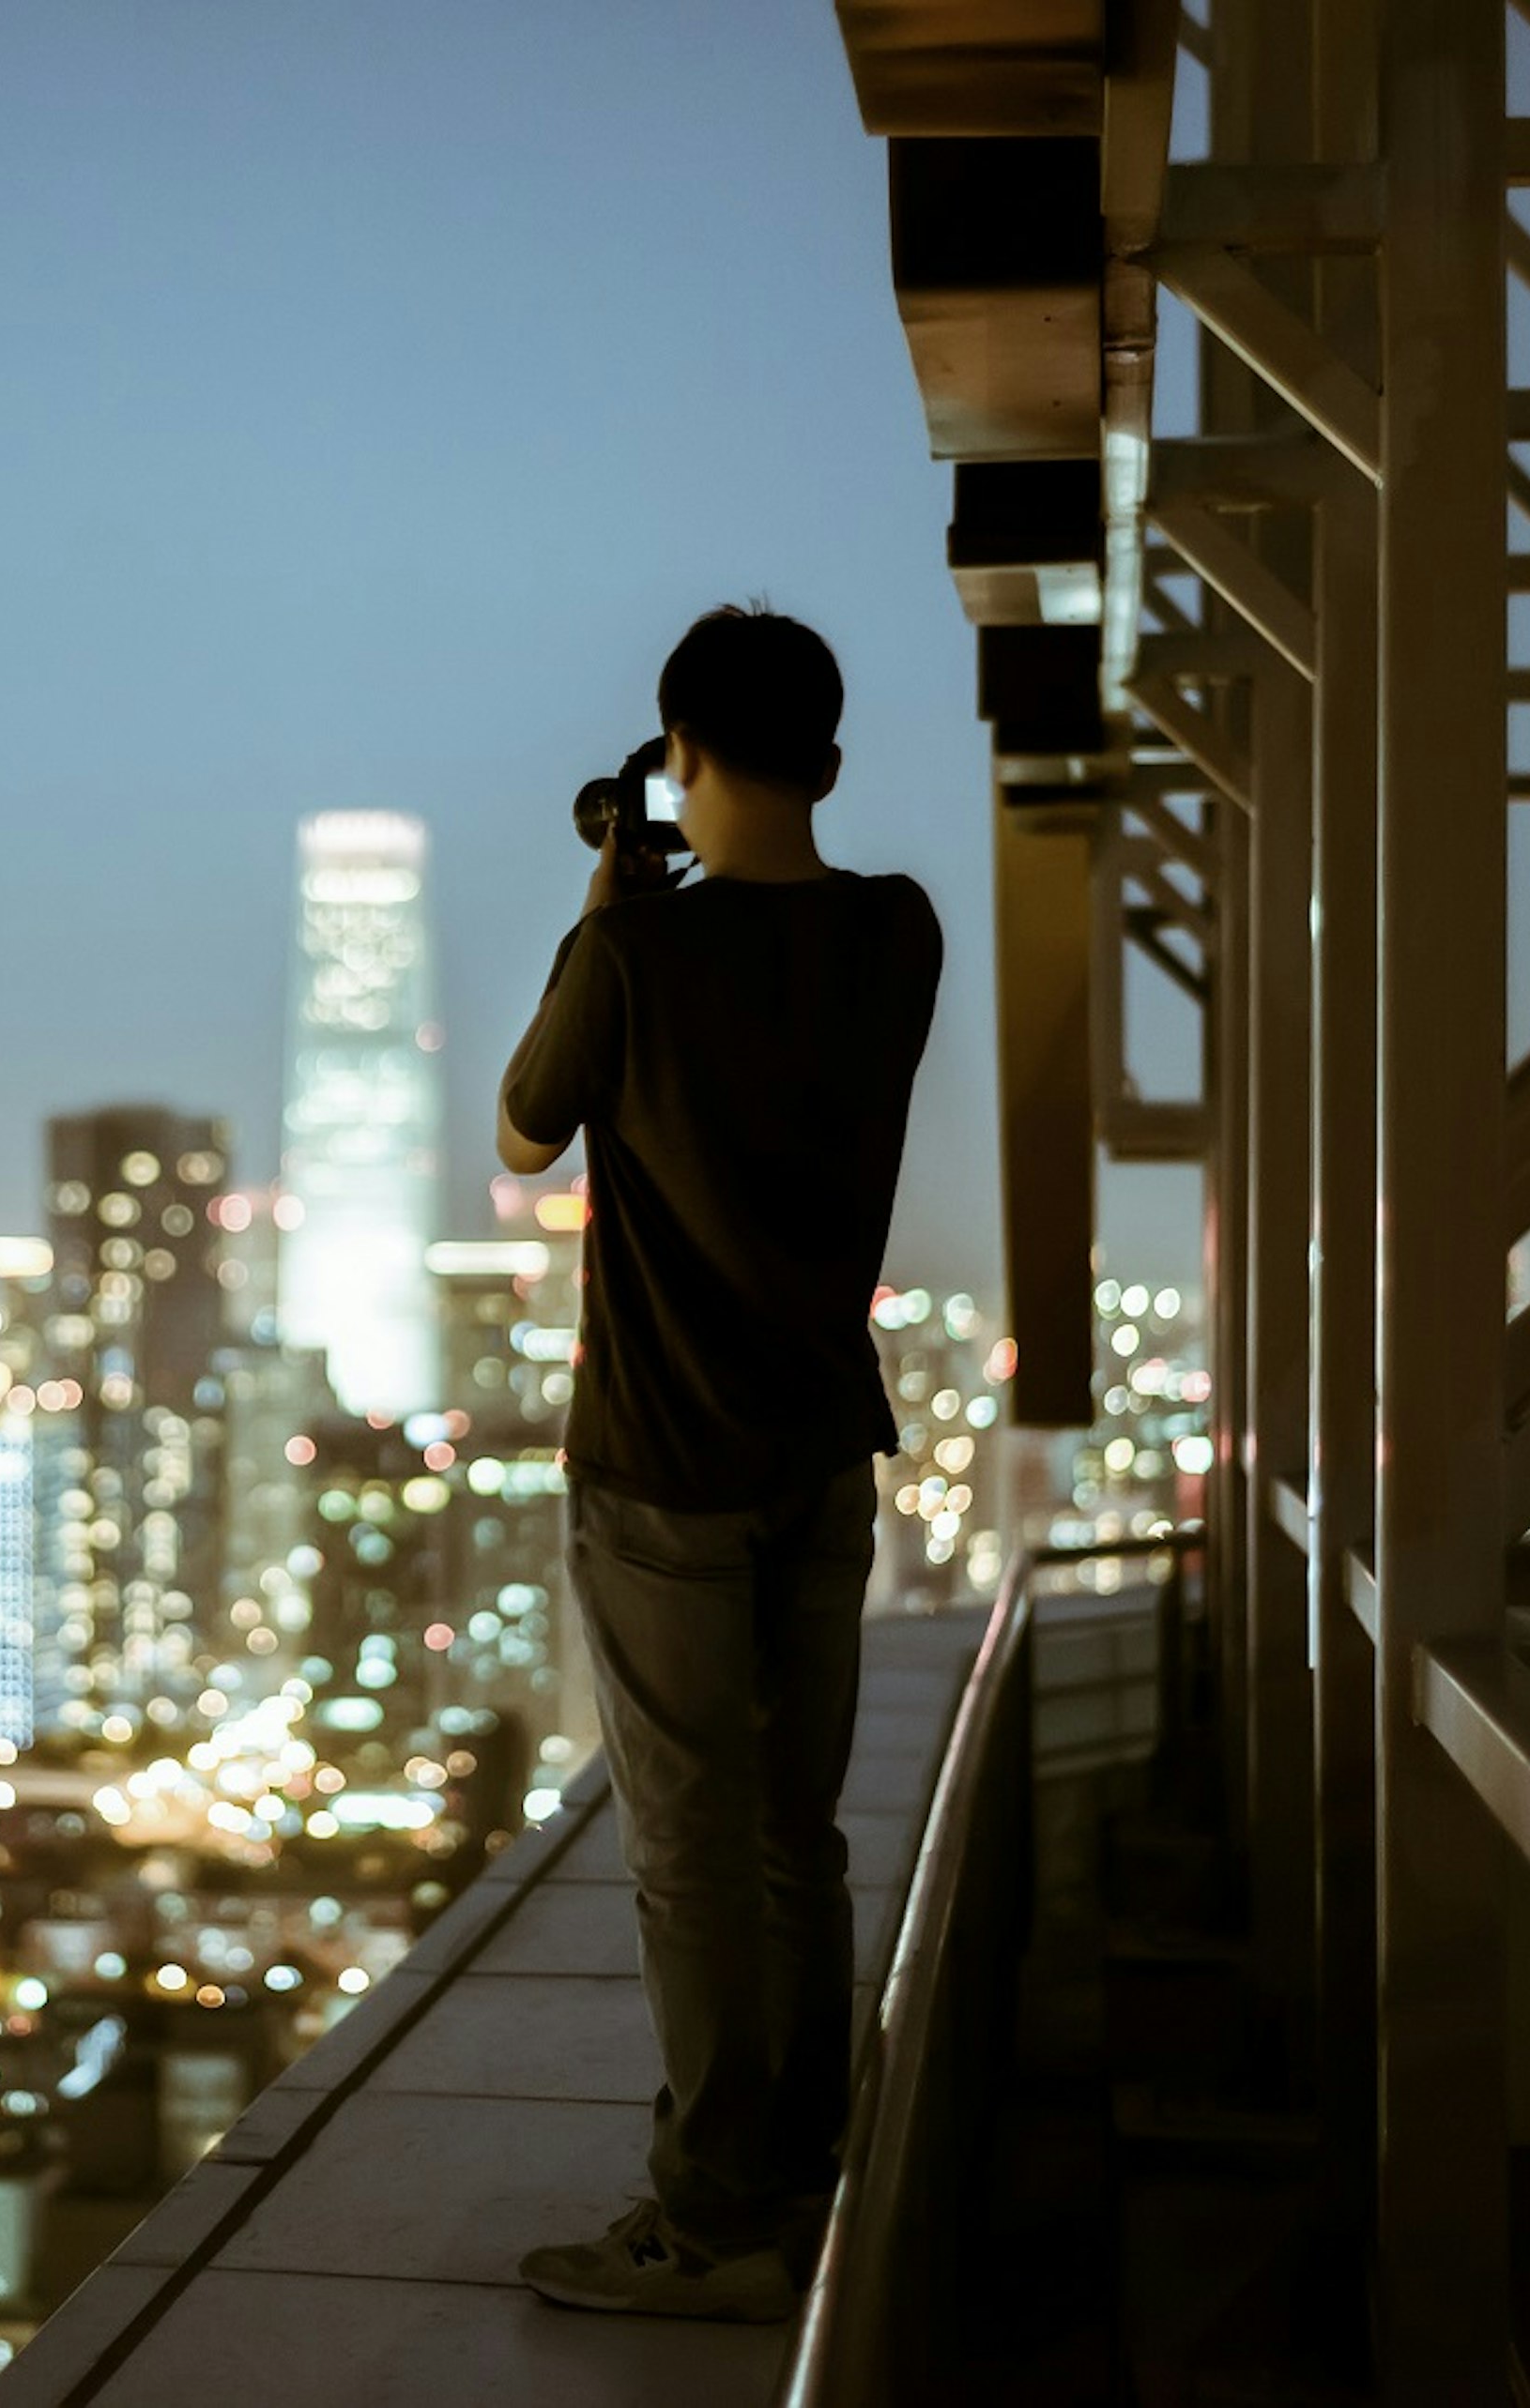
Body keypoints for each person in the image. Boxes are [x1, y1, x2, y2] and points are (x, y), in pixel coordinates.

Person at [497, 603, 943, 2323]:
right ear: (829, 760)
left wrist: (605, 910)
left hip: (662, 1464)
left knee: (687, 1846)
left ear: (675, 756)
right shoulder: (898, 933)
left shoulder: (632, 959)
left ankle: (706, 2221)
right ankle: (809, 2166)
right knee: (794, 1838)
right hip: (824, 1446)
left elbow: (528, 1132)